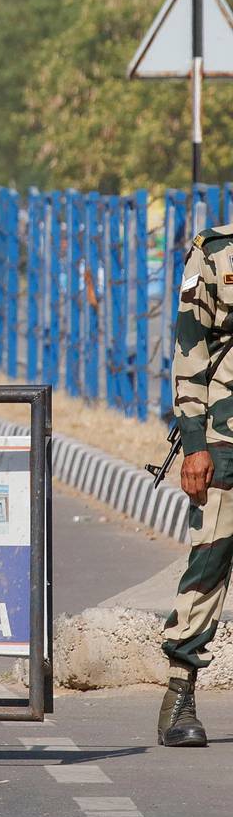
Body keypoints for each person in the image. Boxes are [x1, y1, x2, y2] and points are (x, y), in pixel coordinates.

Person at [159, 223, 233, 747]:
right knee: (210, 559)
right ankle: (180, 694)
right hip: (224, 436)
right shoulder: (216, 251)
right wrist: (194, 443)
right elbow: (190, 349)